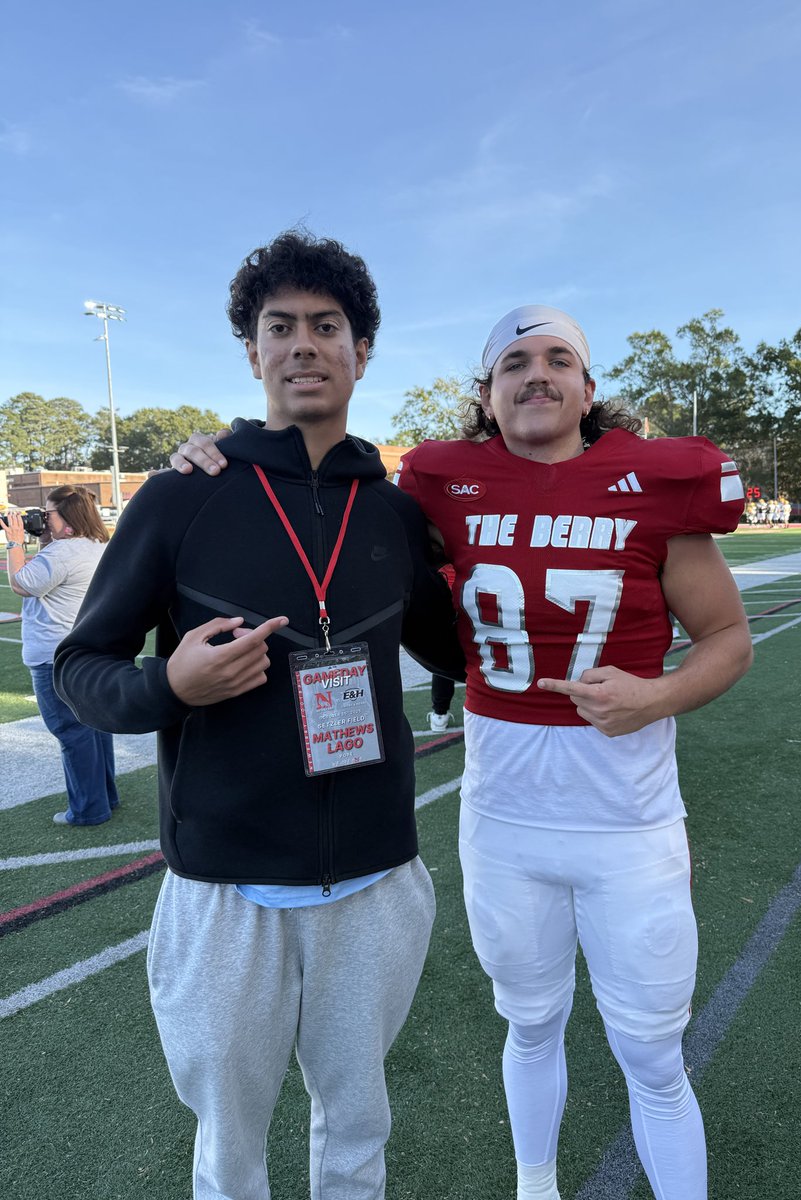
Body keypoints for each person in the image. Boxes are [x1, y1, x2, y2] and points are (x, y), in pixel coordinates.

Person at [171, 304, 753, 1200]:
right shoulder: (441, 479)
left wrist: (662, 694)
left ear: (588, 388)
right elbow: (324, 482)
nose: (538, 374)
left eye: (561, 358)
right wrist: (226, 446)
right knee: (527, 1024)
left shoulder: (658, 481)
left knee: (651, 1050)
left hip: (628, 823)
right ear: (486, 392)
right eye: (514, 361)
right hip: (503, 821)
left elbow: (727, 638)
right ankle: (535, 1187)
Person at [55, 231, 464, 1200]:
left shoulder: (394, 513)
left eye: (328, 326)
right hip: (226, 891)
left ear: (362, 351)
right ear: (252, 352)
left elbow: (457, 647)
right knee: (229, 1153)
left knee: (358, 1131)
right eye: (280, 327)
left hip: (373, 880)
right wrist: (169, 689)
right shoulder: (182, 496)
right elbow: (82, 667)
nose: (304, 345)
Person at [4, 486, 119, 825]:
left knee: (70, 731)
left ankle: (88, 810)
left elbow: (22, 584)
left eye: (48, 513)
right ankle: (105, 797)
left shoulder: (63, 554)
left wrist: (14, 542)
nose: (41, 517)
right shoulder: (96, 546)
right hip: (86, 648)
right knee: (95, 725)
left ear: (68, 521)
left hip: (53, 653)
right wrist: (43, 538)